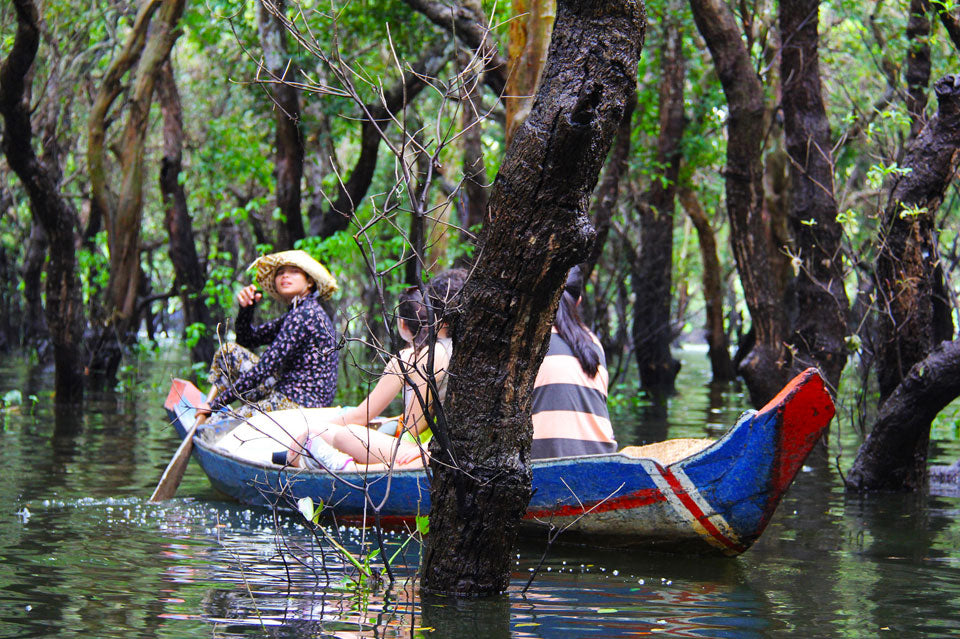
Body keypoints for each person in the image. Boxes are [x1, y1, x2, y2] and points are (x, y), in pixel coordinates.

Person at [287, 269, 467, 471]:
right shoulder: (464, 350)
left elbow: (413, 426)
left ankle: (348, 468)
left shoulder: (432, 353)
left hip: (435, 452)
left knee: (345, 434)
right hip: (442, 448)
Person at [201, 249, 340, 422]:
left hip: (300, 405)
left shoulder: (306, 314)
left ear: (310, 282)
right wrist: (246, 309)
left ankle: (208, 411)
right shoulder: (297, 312)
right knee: (228, 352)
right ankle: (208, 406)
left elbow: (264, 368)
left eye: (294, 271)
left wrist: (216, 405)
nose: (285, 276)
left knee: (216, 423)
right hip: (285, 394)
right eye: (280, 273)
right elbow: (247, 340)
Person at [531, 265, 617, 458]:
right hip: (603, 458)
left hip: (546, 459)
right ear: (578, 301)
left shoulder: (529, 340)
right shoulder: (593, 343)